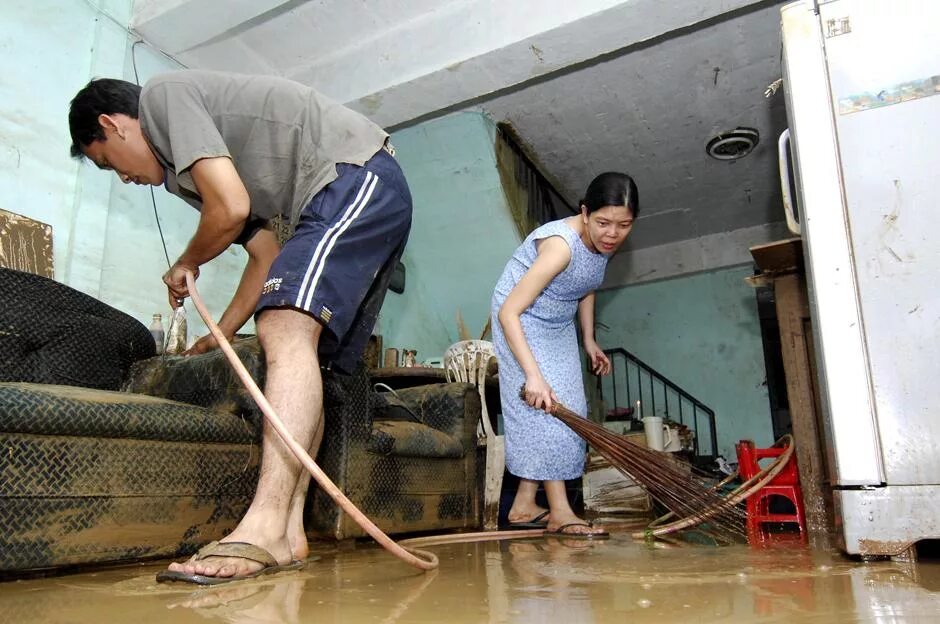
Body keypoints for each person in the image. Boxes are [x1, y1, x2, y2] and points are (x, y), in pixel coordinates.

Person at [68, 70, 412, 583]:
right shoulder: (190, 175)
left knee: (285, 327)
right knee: (305, 352)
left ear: (112, 125)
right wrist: (223, 333)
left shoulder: (163, 99)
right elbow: (265, 254)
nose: (122, 178)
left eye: (106, 163)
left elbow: (230, 209)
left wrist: (186, 261)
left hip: (354, 176)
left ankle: (265, 524)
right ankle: (289, 533)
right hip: (358, 193)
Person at [491, 172, 638, 538]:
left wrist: (588, 339)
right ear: (584, 213)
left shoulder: (602, 246)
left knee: (572, 406)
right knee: (553, 408)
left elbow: (585, 286)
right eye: (603, 222)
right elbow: (510, 311)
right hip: (520, 317)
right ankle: (560, 511)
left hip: (557, 321)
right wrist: (533, 374)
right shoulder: (560, 245)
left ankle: (524, 505)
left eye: (624, 225)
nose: (612, 234)